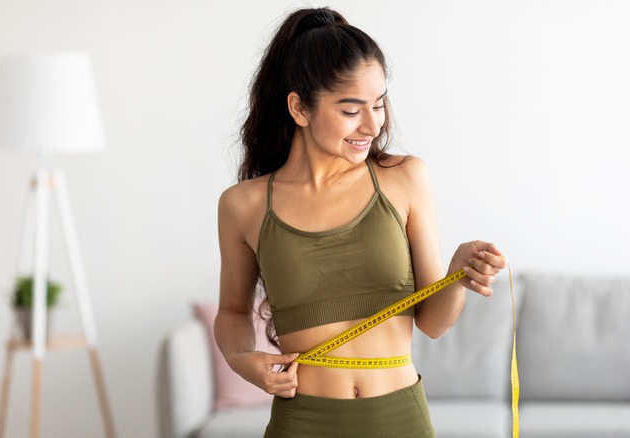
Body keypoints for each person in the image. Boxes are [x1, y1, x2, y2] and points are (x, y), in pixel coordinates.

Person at [215, 7, 506, 437]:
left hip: (400, 419)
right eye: (351, 110)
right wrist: (243, 361)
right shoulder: (244, 205)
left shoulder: (403, 178)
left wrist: (457, 275)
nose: (372, 125)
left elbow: (433, 324)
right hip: (303, 422)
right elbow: (233, 311)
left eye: (379, 105)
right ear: (299, 108)